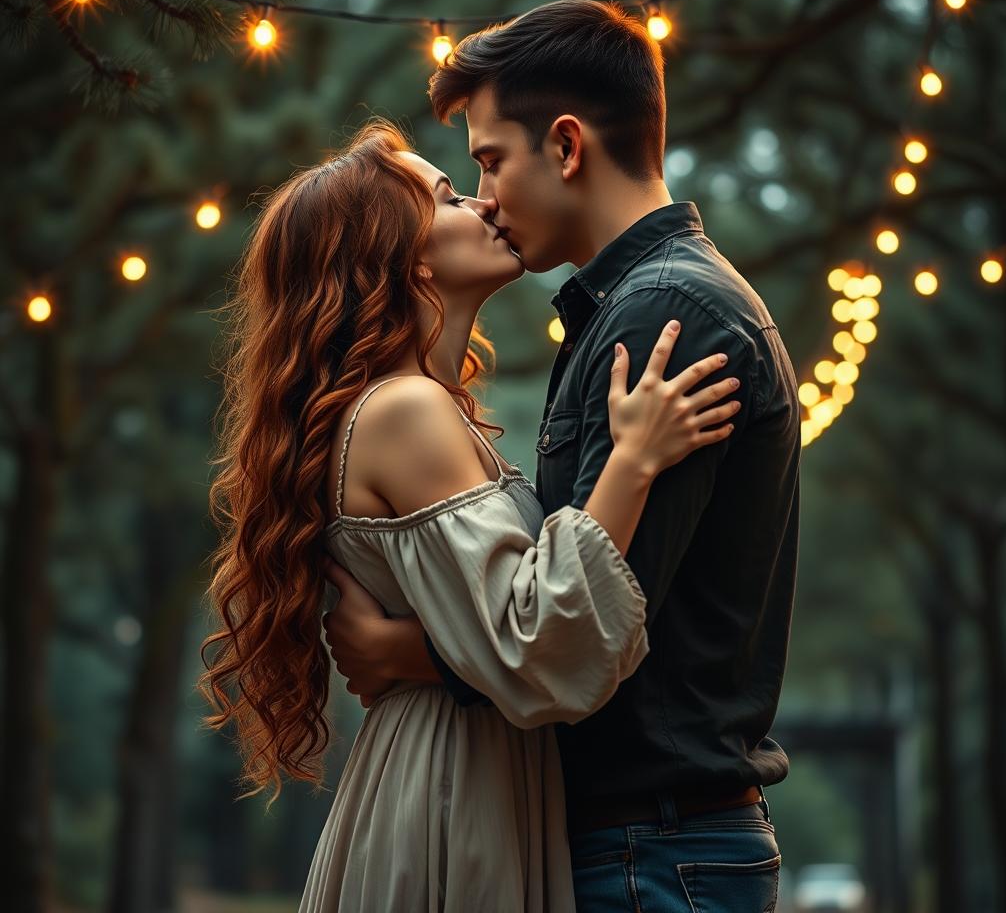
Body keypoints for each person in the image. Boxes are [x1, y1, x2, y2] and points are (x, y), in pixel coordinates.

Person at [322, 0, 802, 912]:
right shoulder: (623, 310)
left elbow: (580, 637)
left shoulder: (666, 316)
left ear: (569, 147)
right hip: (641, 844)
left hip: (654, 847)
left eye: (491, 162)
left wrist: (410, 655)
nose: (487, 198)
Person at [198, 116, 742, 912]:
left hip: (462, 770)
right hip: (451, 794)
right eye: (450, 195)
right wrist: (633, 460)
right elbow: (532, 646)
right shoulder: (405, 412)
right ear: (397, 254)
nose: (486, 204)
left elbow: (492, 631)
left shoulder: (427, 410)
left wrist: (406, 652)